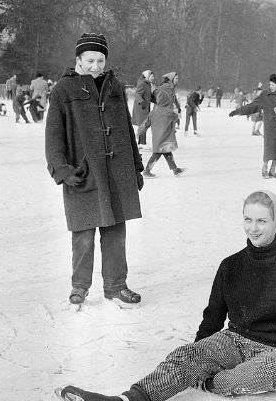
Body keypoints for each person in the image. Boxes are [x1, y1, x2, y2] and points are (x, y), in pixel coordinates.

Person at [56, 190, 276, 401]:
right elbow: (213, 316)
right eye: (248, 219)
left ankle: (209, 381)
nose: (254, 227)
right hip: (233, 340)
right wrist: (197, 352)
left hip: (275, 351)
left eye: (262, 220)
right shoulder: (231, 265)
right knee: (186, 357)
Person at [45, 32, 144, 306]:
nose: (96, 66)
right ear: (78, 59)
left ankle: (116, 286)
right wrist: (62, 169)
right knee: (83, 235)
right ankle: (80, 287)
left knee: (115, 233)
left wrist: (135, 166)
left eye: (101, 60)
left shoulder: (115, 87)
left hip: (116, 173)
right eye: (90, 60)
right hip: (82, 173)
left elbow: (125, 127)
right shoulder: (63, 90)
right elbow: (53, 135)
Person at [229, 74, 276, 178]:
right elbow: (253, 106)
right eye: (270, 84)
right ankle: (264, 169)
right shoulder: (265, 94)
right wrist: (237, 111)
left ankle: (272, 170)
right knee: (270, 148)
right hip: (270, 126)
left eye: (273, 85)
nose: (270, 86)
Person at [141, 72, 185, 177]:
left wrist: (177, 107)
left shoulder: (170, 88)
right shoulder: (165, 88)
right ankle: (147, 171)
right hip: (162, 118)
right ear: (171, 79)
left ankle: (175, 169)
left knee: (164, 146)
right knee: (161, 146)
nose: (178, 80)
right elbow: (159, 101)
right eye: (176, 78)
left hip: (165, 118)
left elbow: (171, 100)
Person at [132, 70, 155, 149]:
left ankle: (141, 142)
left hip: (145, 107)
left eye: (153, 76)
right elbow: (138, 94)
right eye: (151, 76)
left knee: (144, 125)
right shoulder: (142, 84)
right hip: (141, 108)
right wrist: (142, 102)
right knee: (143, 124)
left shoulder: (148, 84)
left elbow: (149, 96)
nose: (153, 78)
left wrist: (157, 101)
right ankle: (142, 143)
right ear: (147, 76)